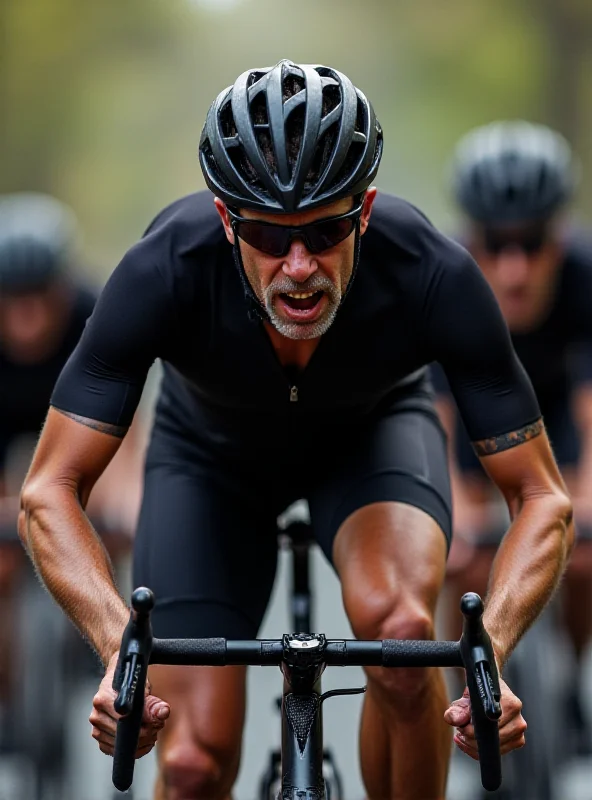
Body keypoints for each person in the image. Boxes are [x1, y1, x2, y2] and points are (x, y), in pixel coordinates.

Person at [18, 61, 572, 800]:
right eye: (268, 237)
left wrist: (488, 652)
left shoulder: (430, 270)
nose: (300, 265)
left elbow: (543, 497)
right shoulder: (165, 267)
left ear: (365, 211)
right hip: (210, 461)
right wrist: (121, 649)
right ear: (225, 221)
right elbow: (47, 490)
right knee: (190, 763)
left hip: (371, 441)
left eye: (326, 230)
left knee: (407, 643)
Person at [435, 121, 592, 751]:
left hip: (557, 430)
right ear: (471, 238)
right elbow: (436, 414)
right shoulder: (446, 281)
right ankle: (463, 691)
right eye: (495, 245)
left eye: (533, 244)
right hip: (474, 432)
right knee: (465, 563)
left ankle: (570, 676)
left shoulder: (585, 277)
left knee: (581, 561)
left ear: (560, 236)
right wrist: (455, 512)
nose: (514, 268)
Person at [0, 193, 143, 765]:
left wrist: (122, 501)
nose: (28, 319)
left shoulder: (93, 312)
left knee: (102, 514)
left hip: (81, 417)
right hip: (6, 422)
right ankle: (8, 689)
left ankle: (99, 621)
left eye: (41, 300)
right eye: (13, 303)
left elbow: (125, 428)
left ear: (64, 290)